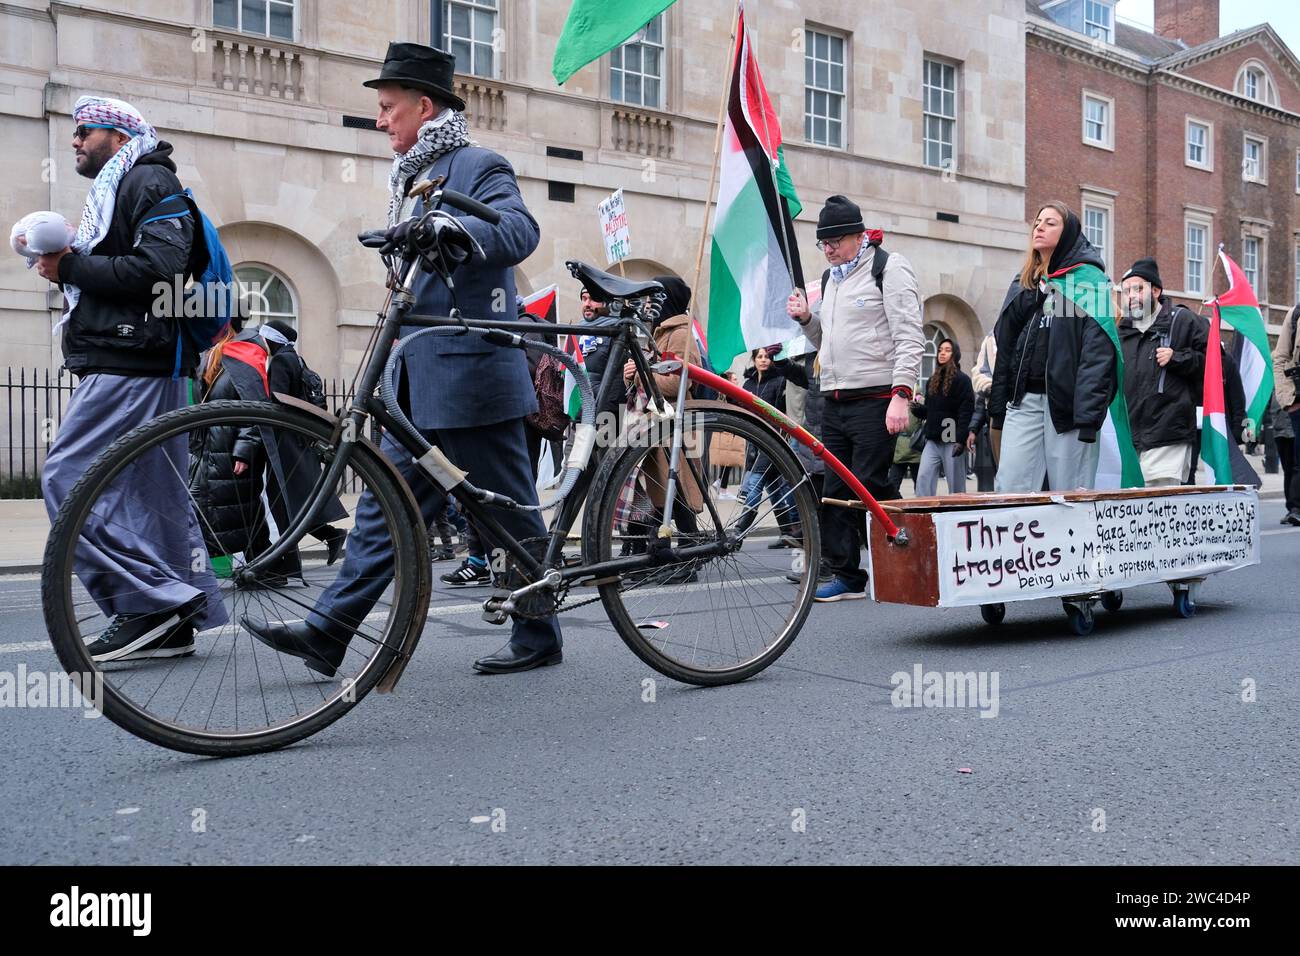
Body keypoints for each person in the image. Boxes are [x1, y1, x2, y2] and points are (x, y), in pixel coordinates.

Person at [243, 42, 562, 675]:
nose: (381, 119)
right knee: (380, 512)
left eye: (389, 108)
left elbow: (519, 232)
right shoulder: (412, 176)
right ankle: (329, 631)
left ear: (424, 105)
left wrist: (454, 230)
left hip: (473, 375)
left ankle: (539, 633)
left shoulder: (478, 165)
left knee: (507, 516)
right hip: (415, 382)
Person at [38, 95, 226, 662]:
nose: (75, 140)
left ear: (119, 139)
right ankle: (172, 622)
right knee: (153, 497)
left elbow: (158, 271)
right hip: (140, 360)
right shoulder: (125, 186)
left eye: (85, 131)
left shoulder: (147, 181)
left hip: (135, 362)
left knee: (68, 478)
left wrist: (69, 266)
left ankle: (148, 604)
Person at [786, 195, 923, 602]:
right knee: (835, 490)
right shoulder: (831, 280)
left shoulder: (888, 268)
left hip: (876, 397)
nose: (827, 249)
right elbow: (826, 343)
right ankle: (848, 575)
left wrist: (901, 394)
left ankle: (911, 554)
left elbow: (910, 336)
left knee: (871, 484)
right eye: (822, 243)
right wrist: (807, 320)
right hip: (835, 399)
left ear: (858, 236)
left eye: (835, 241)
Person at [189, 319, 347, 586]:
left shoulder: (263, 359)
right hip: (226, 448)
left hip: (265, 446)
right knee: (264, 508)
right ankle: (271, 564)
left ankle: (268, 567)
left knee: (265, 508)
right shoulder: (218, 356)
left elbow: (265, 405)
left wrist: (245, 449)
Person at [990, 202, 1117, 492]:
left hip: (1068, 408)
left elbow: (1097, 352)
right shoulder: (1025, 283)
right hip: (1024, 401)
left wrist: (1088, 416)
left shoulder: (1089, 282)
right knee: (1009, 489)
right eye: (1037, 222)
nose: (1040, 227)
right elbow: (1006, 349)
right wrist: (998, 407)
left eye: (1050, 222)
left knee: (1070, 494)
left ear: (1068, 232)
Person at [1117, 258, 1209, 487]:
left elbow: (1217, 364)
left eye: (1138, 289)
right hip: (1130, 439)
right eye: (1126, 291)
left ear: (1156, 290)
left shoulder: (1183, 320)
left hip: (1169, 435)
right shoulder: (1121, 333)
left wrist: (1178, 358)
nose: (1131, 296)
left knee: (1160, 507)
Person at [734, 346, 802, 547]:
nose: (764, 360)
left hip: (773, 440)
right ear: (754, 360)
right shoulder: (748, 384)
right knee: (774, 489)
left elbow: (783, 413)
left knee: (755, 482)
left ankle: (738, 533)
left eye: (767, 357)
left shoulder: (780, 381)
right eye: (760, 357)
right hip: (754, 442)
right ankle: (787, 532)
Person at [913, 338, 973, 496]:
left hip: (951, 437)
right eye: (940, 350)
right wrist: (918, 410)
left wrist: (960, 439)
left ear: (955, 354)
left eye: (947, 350)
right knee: (923, 478)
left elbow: (966, 412)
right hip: (932, 439)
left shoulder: (963, 380)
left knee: (956, 487)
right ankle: (924, 513)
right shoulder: (932, 380)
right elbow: (931, 411)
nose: (942, 353)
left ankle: (959, 516)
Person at [1274, 303, 1300, 525]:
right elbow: (1281, 358)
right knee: (1295, 464)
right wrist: (1288, 401)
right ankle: (1295, 507)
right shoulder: (1295, 314)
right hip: (1296, 406)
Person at [967, 332, 998, 490]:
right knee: (999, 471)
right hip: (995, 414)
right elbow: (981, 403)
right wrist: (972, 430)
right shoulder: (990, 339)